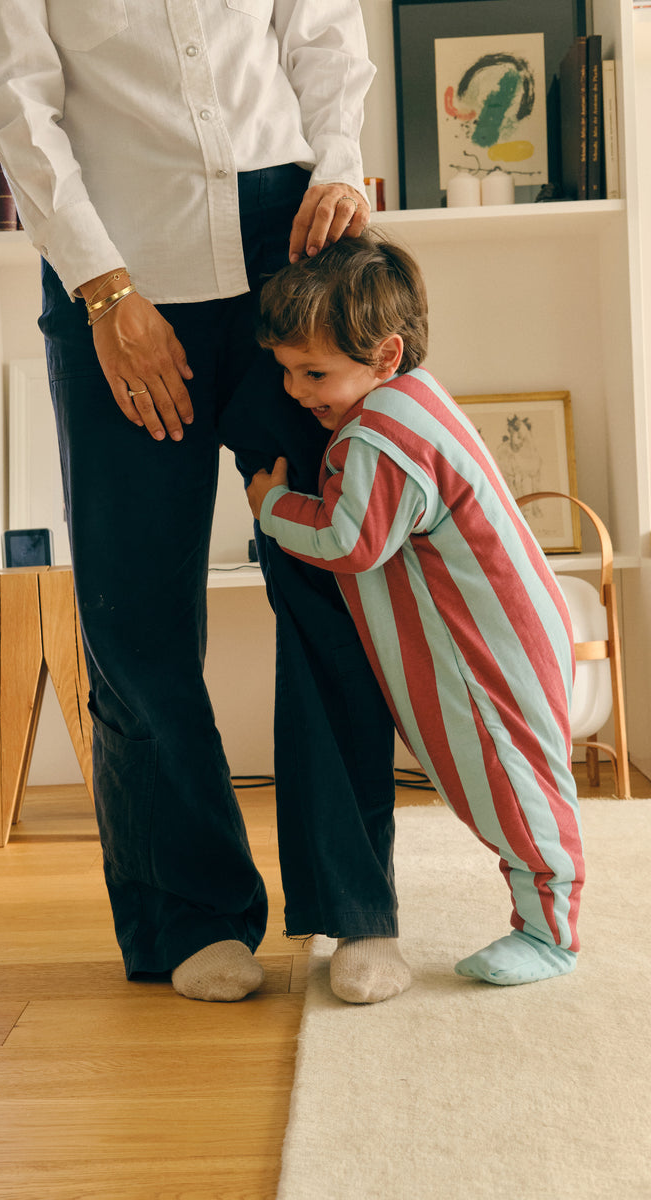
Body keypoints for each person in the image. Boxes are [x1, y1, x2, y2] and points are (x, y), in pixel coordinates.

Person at [0, 1, 404, 1003]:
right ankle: (187, 911)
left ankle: (354, 906)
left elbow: (319, 33)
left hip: (291, 244)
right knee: (135, 614)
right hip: (118, 262)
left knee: (332, 583)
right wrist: (106, 293)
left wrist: (335, 160)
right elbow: (12, 103)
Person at [246, 232, 585, 992]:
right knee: (514, 777)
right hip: (506, 632)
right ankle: (543, 917)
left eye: (314, 373)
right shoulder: (414, 401)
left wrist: (272, 507)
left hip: (486, 650)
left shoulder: (382, 435)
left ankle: (550, 932)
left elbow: (348, 538)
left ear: (386, 355)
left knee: (512, 786)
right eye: (286, 371)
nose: (298, 393)